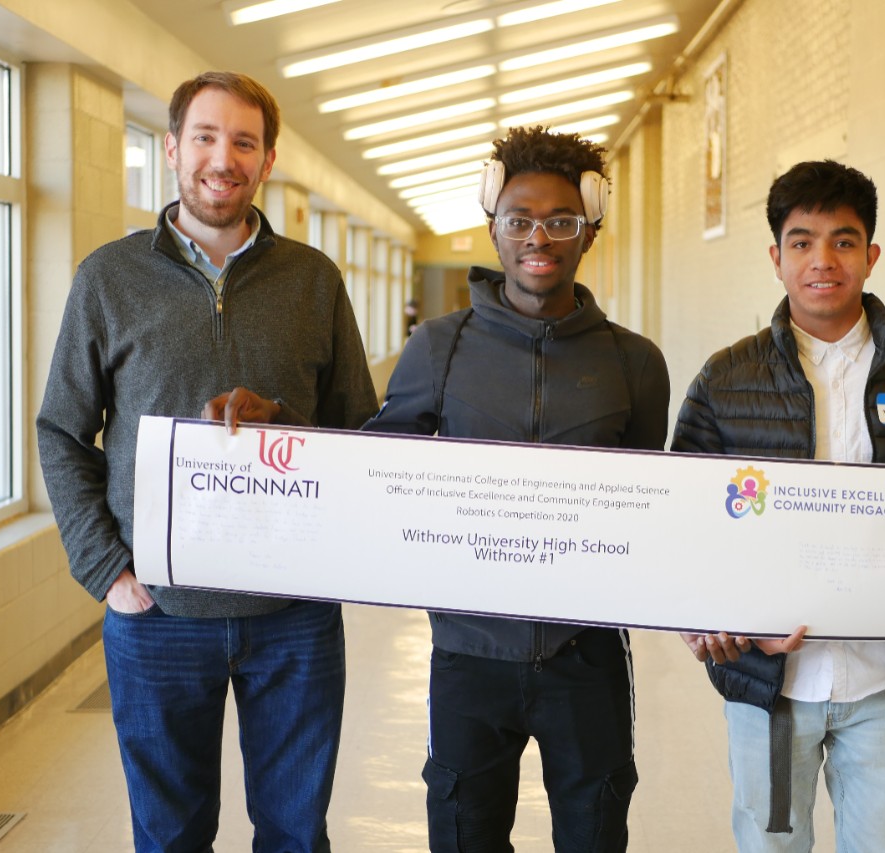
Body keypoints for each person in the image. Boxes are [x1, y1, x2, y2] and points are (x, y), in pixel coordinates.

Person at [36, 71, 376, 852]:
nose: (224, 158)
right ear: (172, 148)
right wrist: (107, 572)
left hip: (294, 616)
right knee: (170, 834)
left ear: (269, 159)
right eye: (207, 137)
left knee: (294, 833)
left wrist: (286, 422)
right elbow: (62, 430)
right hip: (157, 617)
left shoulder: (314, 280)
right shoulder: (108, 278)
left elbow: (358, 429)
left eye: (244, 142)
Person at [671, 159, 885, 852]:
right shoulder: (726, 378)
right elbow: (683, 522)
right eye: (802, 241)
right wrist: (703, 618)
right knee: (771, 845)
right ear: (776, 257)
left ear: (871, 255)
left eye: (844, 241)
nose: (823, 260)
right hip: (770, 683)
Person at [364, 126, 669, 852]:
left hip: (586, 651)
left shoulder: (634, 362)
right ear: (492, 227)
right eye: (519, 219)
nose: (540, 236)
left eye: (561, 220)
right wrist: (283, 439)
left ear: (590, 228)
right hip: (469, 652)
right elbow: (379, 469)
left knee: (594, 830)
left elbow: (649, 502)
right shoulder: (441, 345)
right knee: (466, 833)